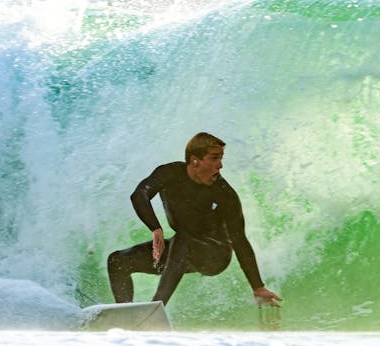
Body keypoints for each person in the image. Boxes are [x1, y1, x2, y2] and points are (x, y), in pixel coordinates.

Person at [107, 132, 282, 308]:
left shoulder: (224, 194)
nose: (220, 166)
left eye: (221, 159)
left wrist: (258, 286)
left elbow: (239, 240)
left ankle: (155, 309)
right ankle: (126, 314)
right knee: (118, 261)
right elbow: (139, 194)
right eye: (214, 158)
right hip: (180, 249)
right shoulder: (170, 174)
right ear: (195, 160)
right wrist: (156, 228)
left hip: (215, 254)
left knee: (182, 240)